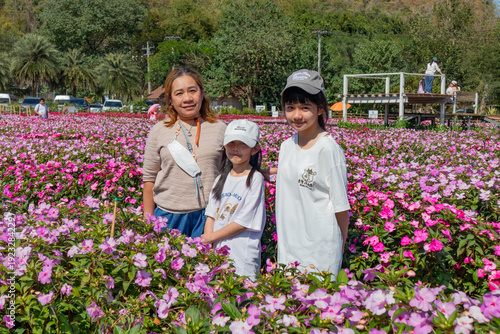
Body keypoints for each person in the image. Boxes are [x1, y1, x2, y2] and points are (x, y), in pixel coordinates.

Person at [273, 69, 350, 278]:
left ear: (320, 109)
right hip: (289, 247)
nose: (297, 115)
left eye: (305, 107)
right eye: (290, 108)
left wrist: (340, 246)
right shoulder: (286, 146)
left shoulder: (328, 149)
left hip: (320, 249)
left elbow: (341, 206)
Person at [142, 67, 227, 238]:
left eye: (192, 91)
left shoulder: (220, 129)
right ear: (170, 100)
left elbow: (231, 172)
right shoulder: (159, 130)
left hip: (209, 216)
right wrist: (148, 221)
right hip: (168, 216)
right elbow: (149, 179)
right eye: (179, 93)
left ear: (202, 94)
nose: (187, 98)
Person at [201, 119, 266, 280]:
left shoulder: (255, 178)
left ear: (254, 148)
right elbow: (211, 214)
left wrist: (210, 238)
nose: (235, 148)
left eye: (243, 144)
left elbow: (244, 222)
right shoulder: (221, 179)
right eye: (231, 143)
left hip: (242, 254)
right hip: (218, 251)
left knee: (243, 297)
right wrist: (209, 246)